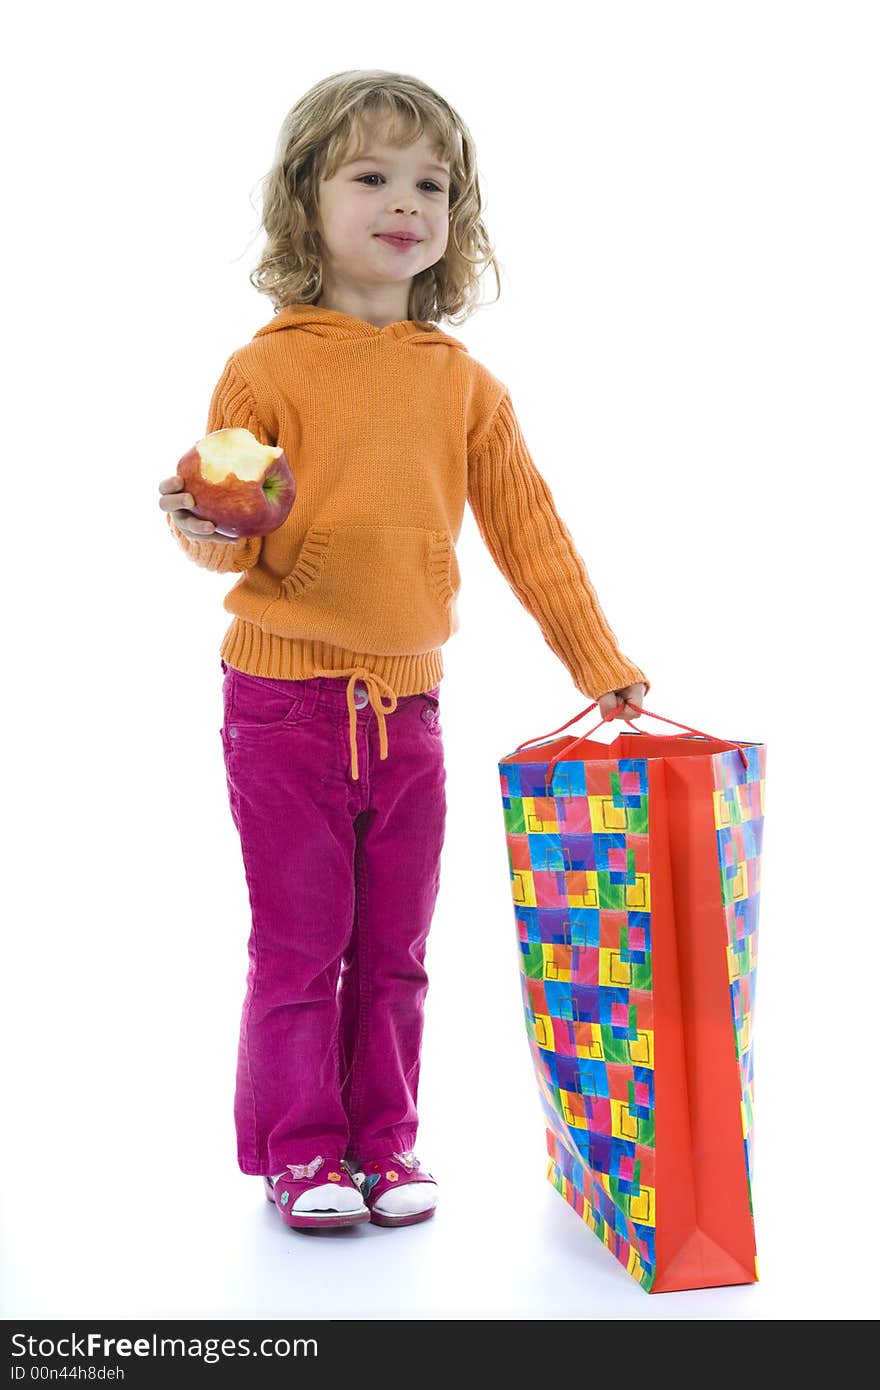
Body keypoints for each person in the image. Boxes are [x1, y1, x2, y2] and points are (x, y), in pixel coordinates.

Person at [158, 69, 650, 1233]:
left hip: (411, 712)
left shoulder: (462, 385)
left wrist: (600, 663)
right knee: (299, 944)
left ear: (454, 218)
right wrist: (198, 521)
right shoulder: (267, 367)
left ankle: (385, 1143)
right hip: (280, 708)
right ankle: (300, 1152)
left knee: (396, 947)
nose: (404, 202)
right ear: (306, 204)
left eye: (429, 182)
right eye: (370, 175)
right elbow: (236, 543)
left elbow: (531, 530)